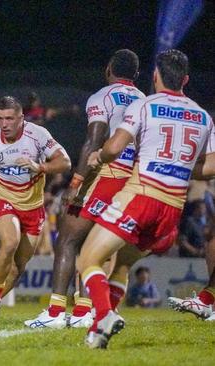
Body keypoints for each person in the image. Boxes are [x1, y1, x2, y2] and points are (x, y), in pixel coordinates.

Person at [78, 49, 214, 348]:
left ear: (155, 76)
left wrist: (100, 155)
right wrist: (180, 168)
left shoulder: (144, 105)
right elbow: (212, 166)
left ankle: (103, 315)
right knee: (123, 263)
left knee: (88, 258)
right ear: (186, 79)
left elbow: (114, 148)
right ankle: (100, 333)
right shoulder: (203, 115)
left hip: (140, 197)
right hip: (172, 211)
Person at [24, 49, 145, 329]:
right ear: (137, 75)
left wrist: (76, 182)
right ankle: (83, 311)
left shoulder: (102, 96)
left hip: (106, 173)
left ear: (108, 69)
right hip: (133, 180)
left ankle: (55, 312)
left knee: (67, 238)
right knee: (102, 246)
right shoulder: (145, 101)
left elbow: (94, 141)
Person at [0, 96, 71, 317]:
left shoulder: (37, 135)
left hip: (33, 207)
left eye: (10, 119)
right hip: (3, 200)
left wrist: (39, 166)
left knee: (18, 267)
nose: (4, 124)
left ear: (21, 118)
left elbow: (65, 163)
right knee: (10, 242)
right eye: (1, 118)